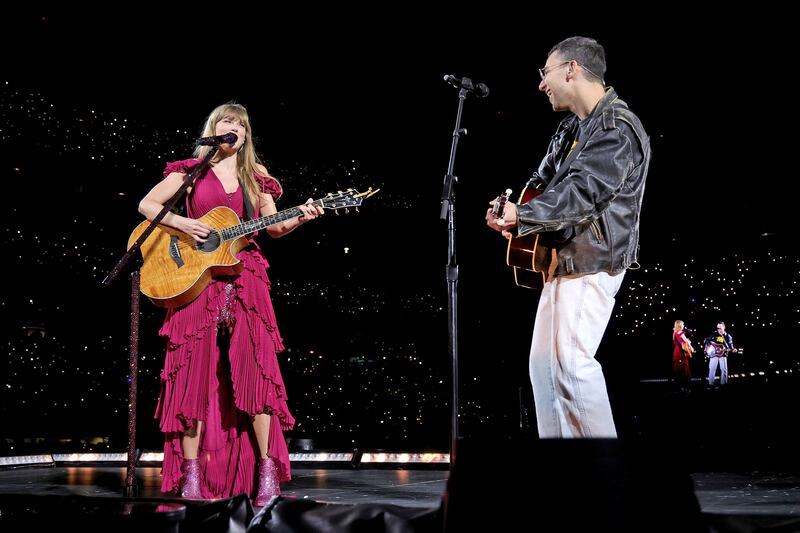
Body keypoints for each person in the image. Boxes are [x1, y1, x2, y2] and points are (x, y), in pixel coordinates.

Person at [138, 102, 324, 505]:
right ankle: (191, 478)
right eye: (226, 121)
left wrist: (300, 218)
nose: (232, 127)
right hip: (193, 274)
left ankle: (267, 474)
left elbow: (273, 227)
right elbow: (147, 206)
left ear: (246, 134)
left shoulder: (257, 179)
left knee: (258, 369)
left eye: (240, 124)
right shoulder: (190, 170)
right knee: (190, 373)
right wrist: (183, 222)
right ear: (214, 128)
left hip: (245, 275)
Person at [485, 36, 651, 438]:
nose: (542, 84)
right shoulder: (572, 128)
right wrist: (511, 206)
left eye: (547, 73)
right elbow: (543, 181)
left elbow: (583, 191)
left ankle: (606, 479)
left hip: (592, 261)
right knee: (545, 368)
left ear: (571, 69)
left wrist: (523, 215)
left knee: (571, 366)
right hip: (562, 260)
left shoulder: (616, 128)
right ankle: (564, 478)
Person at [704, 321, 737, 386]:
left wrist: (733, 349)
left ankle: (723, 384)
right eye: (717, 328)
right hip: (714, 354)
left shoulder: (728, 336)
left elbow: (731, 346)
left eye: (720, 328)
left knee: (724, 370)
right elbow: (706, 340)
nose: (718, 329)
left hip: (723, 354)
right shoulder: (713, 334)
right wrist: (710, 346)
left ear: (724, 327)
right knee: (712, 369)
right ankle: (711, 384)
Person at [672, 320, 694, 392]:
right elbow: (685, 342)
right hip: (681, 353)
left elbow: (681, 342)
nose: (684, 326)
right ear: (680, 325)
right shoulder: (680, 332)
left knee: (678, 371)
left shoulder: (675, 333)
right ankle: (686, 388)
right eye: (683, 324)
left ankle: (680, 388)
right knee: (684, 371)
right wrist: (691, 347)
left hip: (676, 353)